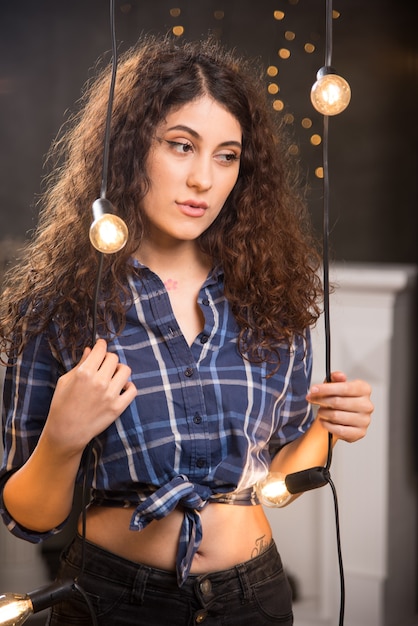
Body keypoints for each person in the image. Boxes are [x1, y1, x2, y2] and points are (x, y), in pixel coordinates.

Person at [0, 34, 373, 625]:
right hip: (114, 601)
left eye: (227, 156)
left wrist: (329, 428)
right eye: (181, 146)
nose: (204, 178)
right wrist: (62, 439)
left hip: (254, 598)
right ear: (125, 152)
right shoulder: (58, 308)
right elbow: (30, 518)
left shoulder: (272, 296)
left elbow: (277, 476)